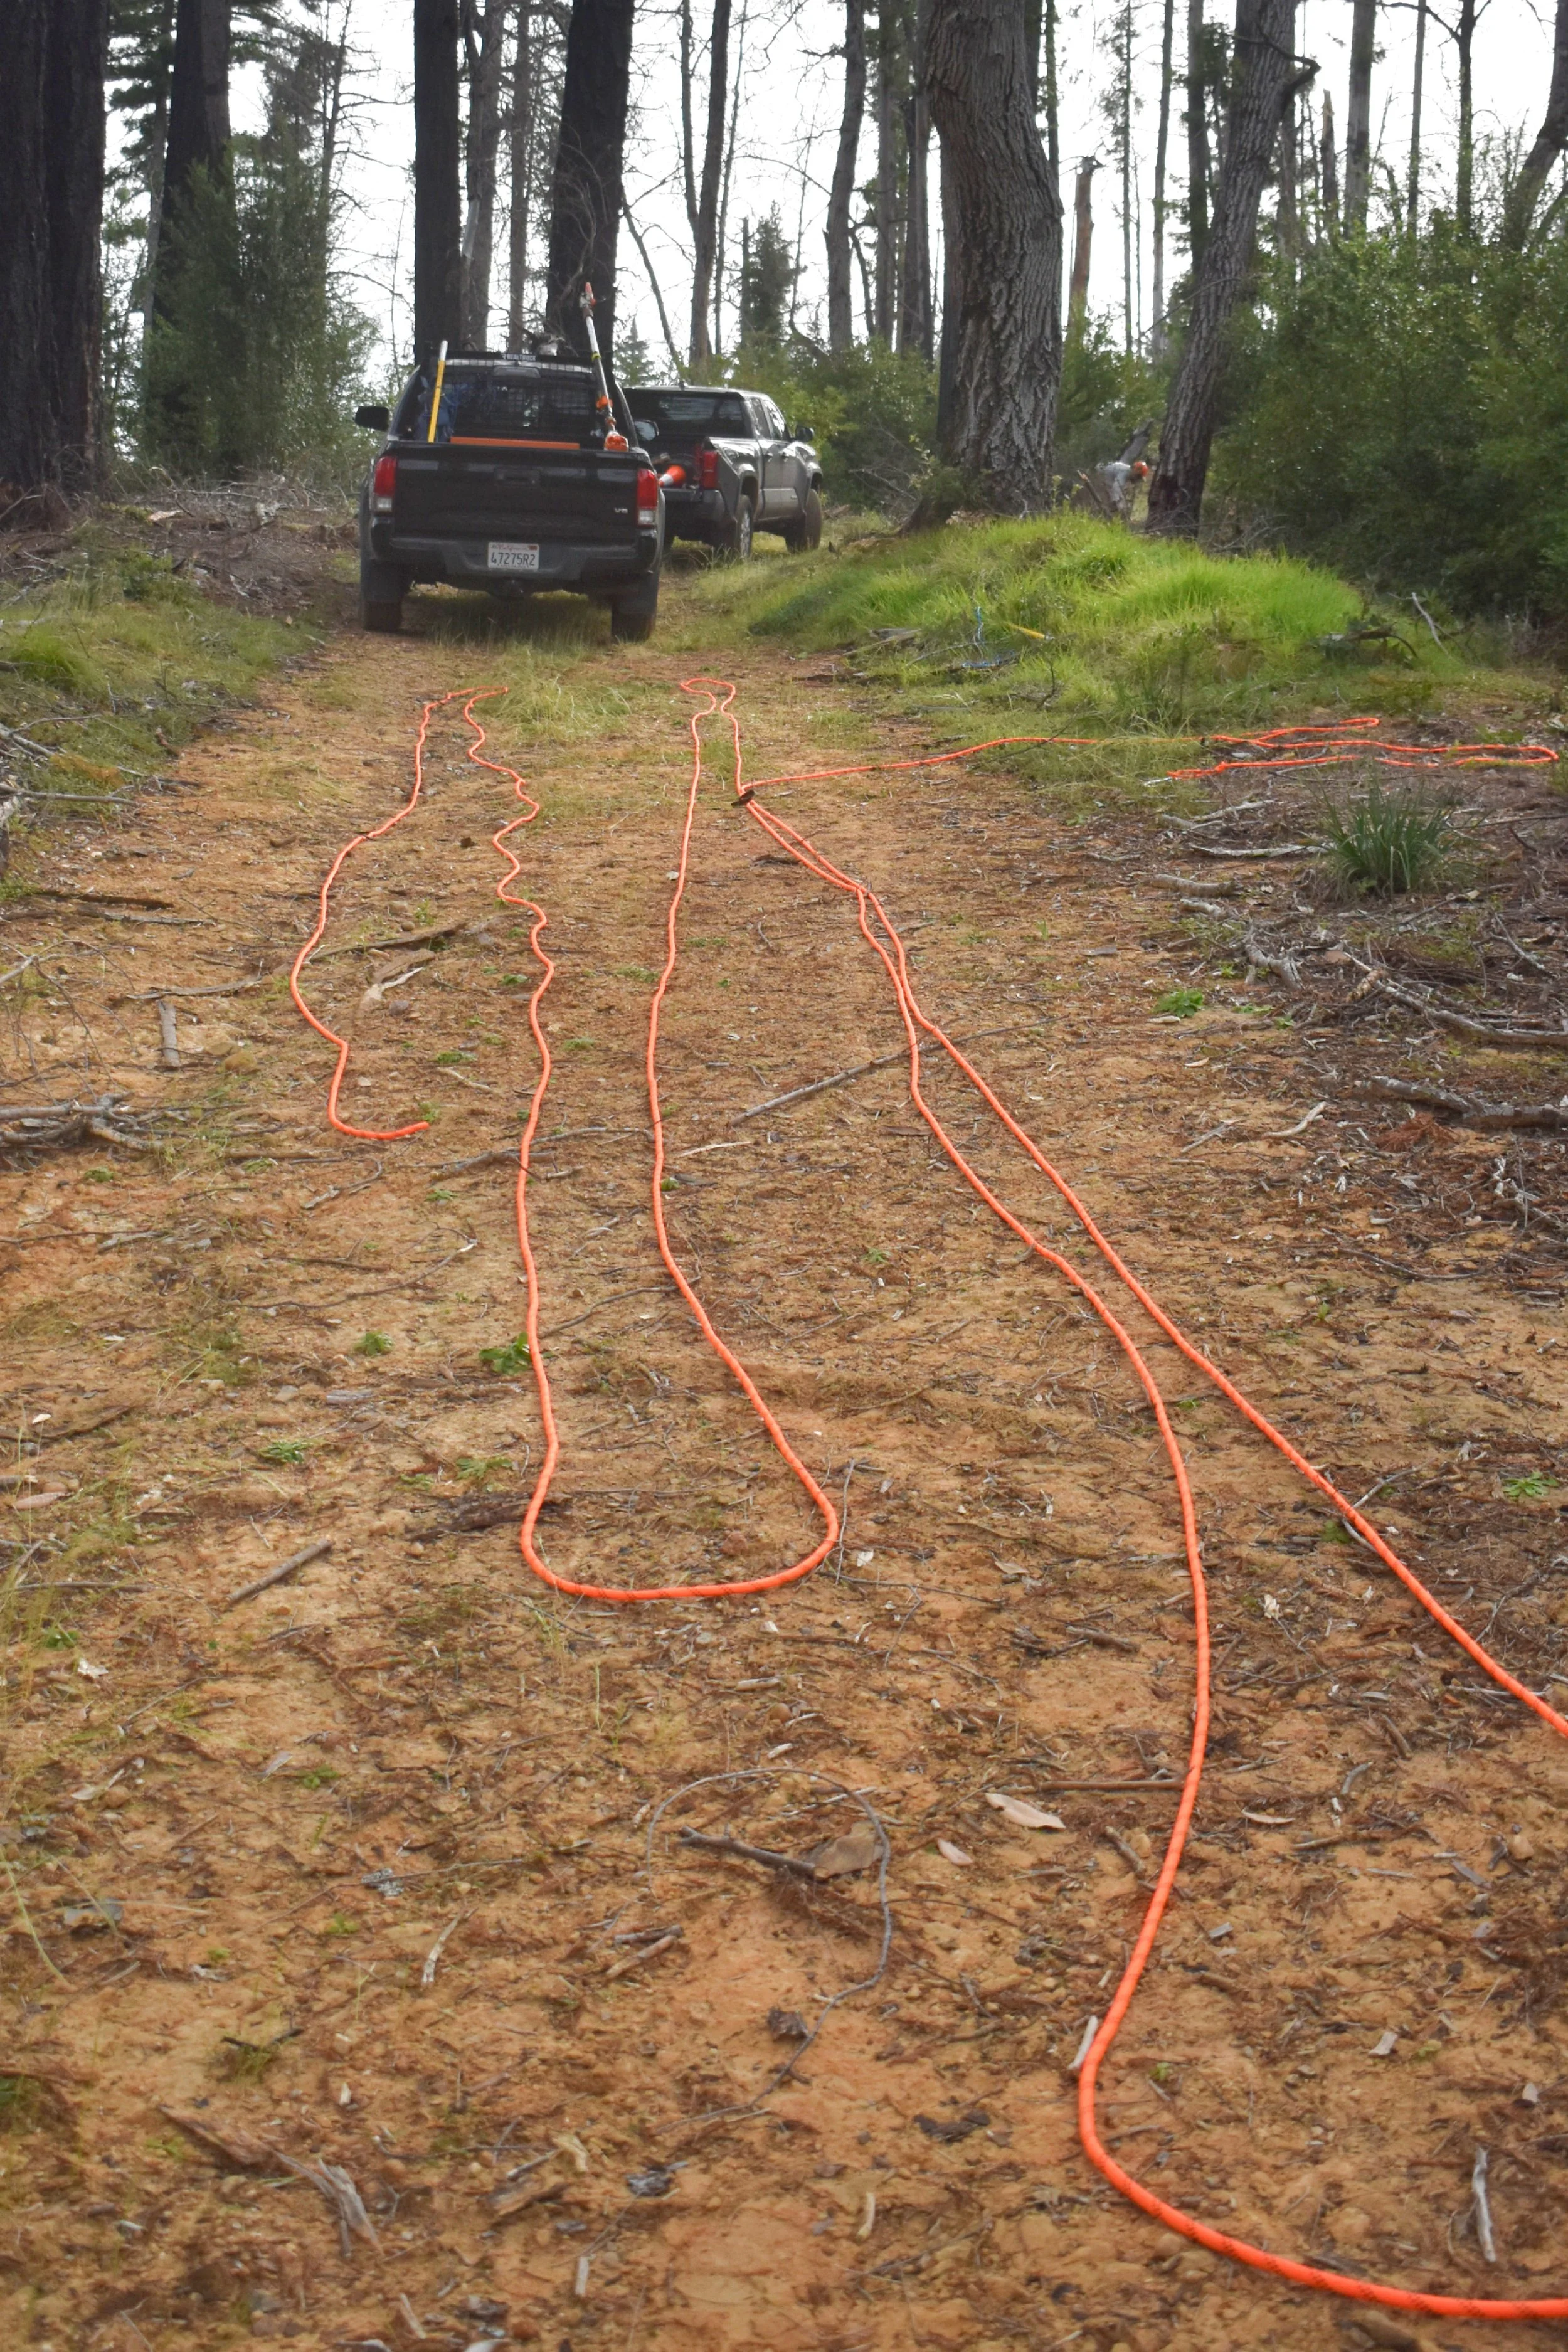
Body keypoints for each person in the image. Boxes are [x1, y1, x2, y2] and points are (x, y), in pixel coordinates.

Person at [1098, 456, 1150, 520]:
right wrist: (1116, 502)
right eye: (1138, 476)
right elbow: (1116, 488)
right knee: (1113, 500)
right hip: (1104, 475)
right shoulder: (1124, 473)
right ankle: (1103, 515)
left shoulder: (1127, 472)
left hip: (1108, 475)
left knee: (1120, 501)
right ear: (1135, 471)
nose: (1137, 479)